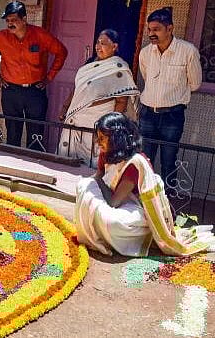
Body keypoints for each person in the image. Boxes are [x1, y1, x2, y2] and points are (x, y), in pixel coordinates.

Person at [75, 112, 214, 257]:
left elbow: (113, 202)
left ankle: (129, 238)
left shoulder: (135, 163)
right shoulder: (108, 152)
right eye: (98, 137)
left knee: (111, 221)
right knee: (84, 185)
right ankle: (99, 230)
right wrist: (91, 187)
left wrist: (95, 188)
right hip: (114, 199)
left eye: (102, 138)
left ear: (117, 139)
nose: (98, 142)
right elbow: (98, 176)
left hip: (136, 210)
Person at [0, 1, 67, 151]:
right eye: (7, 21)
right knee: (12, 131)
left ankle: (34, 166)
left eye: (14, 20)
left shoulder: (40, 35)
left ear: (24, 19)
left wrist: (49, 78)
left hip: (35, 92)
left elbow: (61, 52)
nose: (10, 24)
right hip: (11, 91)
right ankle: (13, 162)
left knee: (36, 133)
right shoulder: (2, 37)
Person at [138, 8, 202, 191]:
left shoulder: (187, 51)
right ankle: (144, 201)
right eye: (149, 30)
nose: (152, 34)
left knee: (168, 161)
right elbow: (146, 76)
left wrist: (172, 96)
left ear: (170, 28)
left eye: (156, 29)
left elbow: (195, 83)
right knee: (145, 161)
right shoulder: (145, 53)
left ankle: (166, 205)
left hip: (172, 116)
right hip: (147, 114)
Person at [58, 29, 139, 166]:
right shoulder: (89, 65)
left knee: (95, 158)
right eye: (97, 42)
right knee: (71, 156)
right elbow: (77, 89)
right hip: (77, 119)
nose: (98, 46)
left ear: (114, 46)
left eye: (103, 43)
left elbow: (121, 101)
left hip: (99, 120)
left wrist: (111, 125)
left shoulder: (118, 68)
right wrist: (65, 107)